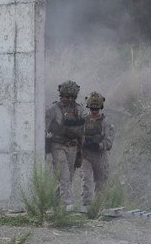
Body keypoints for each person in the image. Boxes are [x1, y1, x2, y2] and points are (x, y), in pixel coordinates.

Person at [44, 80, 86, 209]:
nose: (70, 99)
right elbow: (43, 127)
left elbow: (83, 130)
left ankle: (53, 201)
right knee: (64, 176)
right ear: (61, 95)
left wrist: (82, 151)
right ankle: (67, 204)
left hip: (73, 148)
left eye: (73, 97)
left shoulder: (79, 109)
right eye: (67, 96)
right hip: (58, 146)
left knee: (69, 178)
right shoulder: (53, 109)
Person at [79, 91, 115, 206]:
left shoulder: (105, 122)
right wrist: (83, 142)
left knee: (101, 184)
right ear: (88, 108)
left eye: (96, 109)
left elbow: (109, 141)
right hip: (86, 155)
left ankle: (99, 208)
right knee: (87, 180)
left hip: (100, 156)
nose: (94, 111)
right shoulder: (83, 121)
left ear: (100, 108)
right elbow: (76, 135)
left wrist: (98, 145)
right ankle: (87, 206)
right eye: (92, 109)